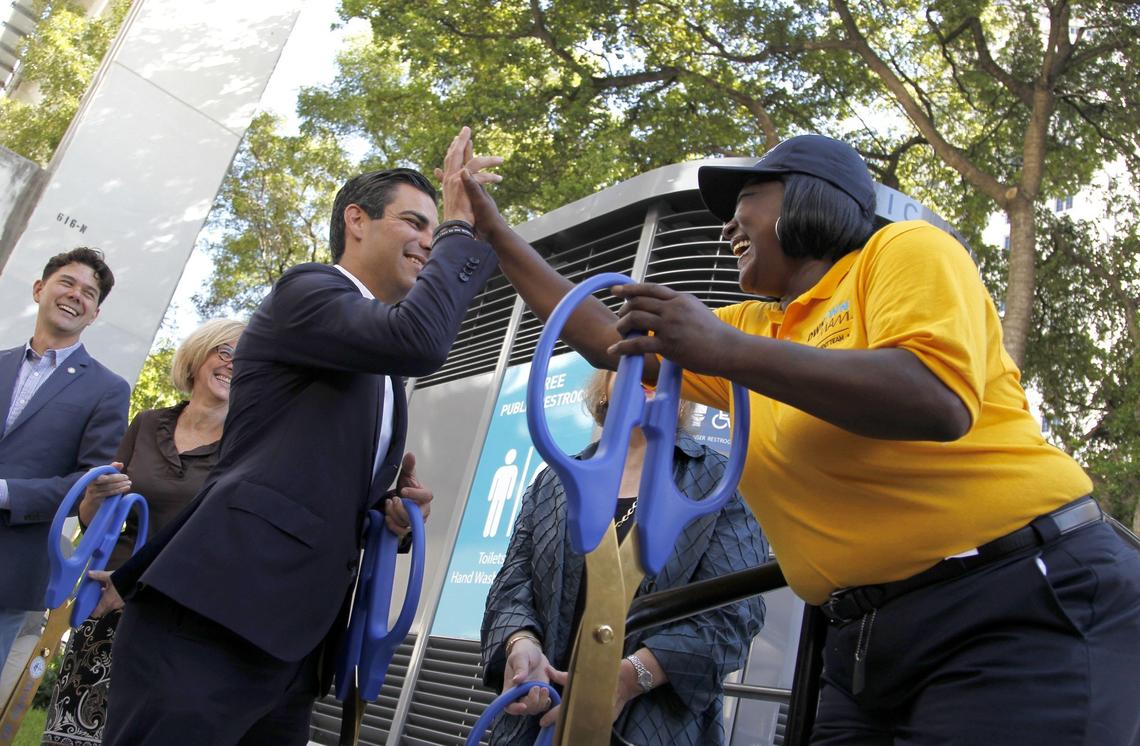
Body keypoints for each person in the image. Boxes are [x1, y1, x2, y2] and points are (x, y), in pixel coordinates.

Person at [459, 135, 1140, 744]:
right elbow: (606, 339)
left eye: (747, 199)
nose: (728, 226)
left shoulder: (901, 251)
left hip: (1013, 602)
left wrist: (725, 348)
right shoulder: (758, 330)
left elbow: (934, 399)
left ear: (811, 200)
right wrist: (494, 233)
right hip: (862, 636)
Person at [102, 127, 504, 746]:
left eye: (436, 228)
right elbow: (421, 340)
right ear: (356, 221)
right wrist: (459, 225)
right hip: (217, 614)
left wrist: (385, 511)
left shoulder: (376, 364)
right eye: (415, 222)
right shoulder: (310, 291)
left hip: (294, 645)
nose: (430, 240)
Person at [482, 369, 767, 746]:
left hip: (655, 728)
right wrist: (521, 643)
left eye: (663, 361)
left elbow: (735, 615)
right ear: (605, 383)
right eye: (635, 359)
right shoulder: (554, 481)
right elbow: (511, 584)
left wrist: (628, 678)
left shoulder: (719, 483)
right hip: (533, 725)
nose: (649, 369)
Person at [39, 318, 244, 746]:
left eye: (246, 359)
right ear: (199, 354)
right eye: (225, 351)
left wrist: (136, 584)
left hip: (171, 613)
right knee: (72, 735)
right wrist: (97, 494)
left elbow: (221, 539)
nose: (233, 364)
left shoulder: (245, 446)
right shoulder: (149, 424)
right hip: (102, 601)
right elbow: (95, 518)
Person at [0, 247, 129, 667]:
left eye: (89, 294)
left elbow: (87, 485)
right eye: (67, 283)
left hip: (10, 569)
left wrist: (6, 492)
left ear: (94, 314)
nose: (77, 295)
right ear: (40, 289)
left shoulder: (107, 389)